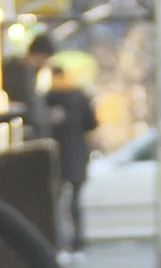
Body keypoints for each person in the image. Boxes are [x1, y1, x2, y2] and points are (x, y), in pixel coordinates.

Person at [44, 60, 100, 255]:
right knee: (75, 203)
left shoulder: (48, 98)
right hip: (77, 154)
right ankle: (77, 243)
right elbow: (92, 124)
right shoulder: (79, 96)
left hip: (54, 156)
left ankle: (58, 243)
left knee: (54, 203)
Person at [0, 33, 54, 138]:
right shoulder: (20, 71)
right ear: (39, 55)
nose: (45, 64)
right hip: (19, 129)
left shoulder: (29, 71)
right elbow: (29, 102)